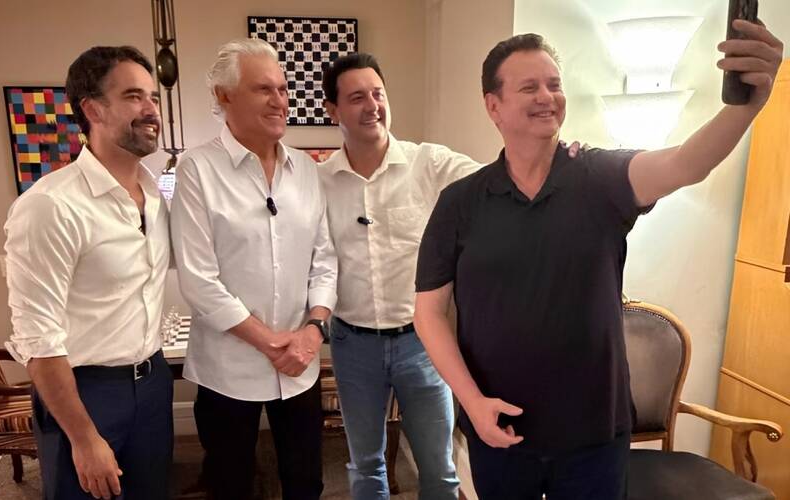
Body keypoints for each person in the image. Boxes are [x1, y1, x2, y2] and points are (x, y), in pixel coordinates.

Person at [414, 22, 783, 500]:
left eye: (554, 84)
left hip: (593, 436)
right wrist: (472, 402)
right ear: (493, 106)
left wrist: (746, 105)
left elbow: (686, 163)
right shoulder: (460, 202)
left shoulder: (602, 177)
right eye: (529, 87)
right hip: (499, 426)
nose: (547, 96)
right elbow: (429, 313)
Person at [319, 52, 581, 499]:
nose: (372, 106)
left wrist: (559, 158)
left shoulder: (429, 163)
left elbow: (504, 180)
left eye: (378, 94)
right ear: (333, 110)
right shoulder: (320, 181)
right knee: (365, 467)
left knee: (439, 469)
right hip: (353, 343)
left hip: (420, 344)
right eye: (357, 97)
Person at [170, 38, 337, 500]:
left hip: (301, 364)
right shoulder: (197, 169)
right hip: (227, 370)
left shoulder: (306, 169)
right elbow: (199, 281)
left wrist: (312, 332)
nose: (279, 100)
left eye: (283, 89)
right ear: (224, 96)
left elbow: (324, 259)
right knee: (230, 484)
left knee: (306, 482)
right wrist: (271, 343)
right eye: (264, 89)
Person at [4, 46, 173, 500]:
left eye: (153, 97)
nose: (151, 110)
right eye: (133, 96)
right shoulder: (50, 206)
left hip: (153, 383)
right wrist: (83, 437)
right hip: (85, 393)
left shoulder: (156, 197)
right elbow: (38, 339)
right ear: (93, 109)